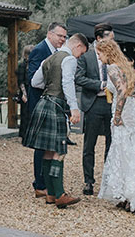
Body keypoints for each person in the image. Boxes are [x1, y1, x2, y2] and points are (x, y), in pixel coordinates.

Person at [23, 31, 89, 208]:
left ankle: (50, 194)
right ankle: (59, 194)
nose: (80, 56)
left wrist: (51, 86)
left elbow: (35, 82)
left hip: (44, 103)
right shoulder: (69, 59)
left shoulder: (50, 58)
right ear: (78, 46)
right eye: (81, 53)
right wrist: (74, 108)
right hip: (56, 105)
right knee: (59, 150)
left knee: (47, 151)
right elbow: (67, 83)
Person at [96, 38, 135, 215]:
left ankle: (127, 195)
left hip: (124, 113)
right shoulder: (126, 65)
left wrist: (117, 115)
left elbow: (122, 90)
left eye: (100, 54)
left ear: (107, 52)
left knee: (123, 153)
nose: (99, 58)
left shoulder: (112, 68)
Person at [26, 22, 67, 196]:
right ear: (50, 34)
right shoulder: (40, 50)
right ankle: (40, 184)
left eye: (65, 37)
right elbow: (33, 78)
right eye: (60, 36)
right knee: (41, 146)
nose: (63, 39)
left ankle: (46, 184)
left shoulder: (57, 52)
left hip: (51, 102)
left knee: (48, 145)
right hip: (40, 102)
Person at [74, 23, 115, 195]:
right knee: (89, 145)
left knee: (111, 144)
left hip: (111, 104)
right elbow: (79, 78)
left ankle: (108, 179)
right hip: (93, 103)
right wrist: (100, 84)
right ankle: (88, 181)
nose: (112, 42)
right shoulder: (86, 57)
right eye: (109, 38)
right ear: (98, 38)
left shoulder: (114, 56)